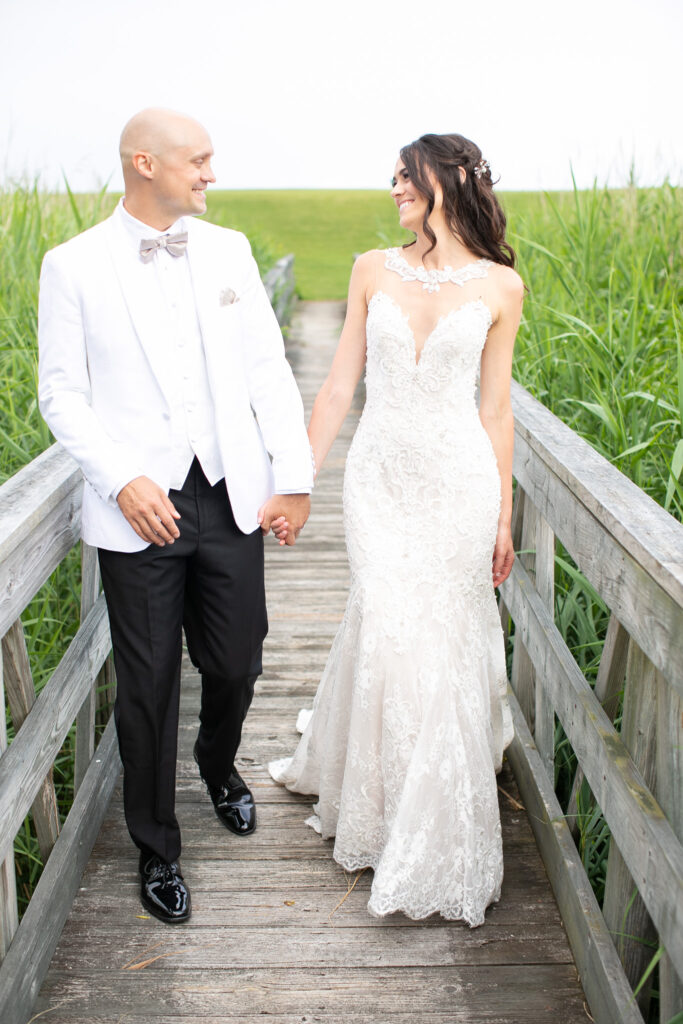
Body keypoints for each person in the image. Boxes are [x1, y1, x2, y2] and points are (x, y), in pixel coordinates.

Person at [38, 108, 312, 924]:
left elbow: (266, 370)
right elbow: (61, 392)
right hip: (139, 509)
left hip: (228, 490)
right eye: (197, 160)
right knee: (148, 685)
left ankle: (217, 762)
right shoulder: (72, 265)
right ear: (143, 162)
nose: (211, 173)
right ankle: (156, 847)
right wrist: (121, 478)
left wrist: (291, 477)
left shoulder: (226, 250)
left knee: (237, 660)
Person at [269, 133, 524, 926]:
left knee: (440, 637)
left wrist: (503, 512)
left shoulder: (502, 286)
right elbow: (339, 384)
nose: (393, 191)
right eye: (390, 180)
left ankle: (434, 822)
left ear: (447, 181)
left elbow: (495, 408)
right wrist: (296, 480)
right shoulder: (371, 268)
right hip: (378, 480)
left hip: (458, 483)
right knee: (385, 621)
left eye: (404, 178)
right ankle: (376, 805)